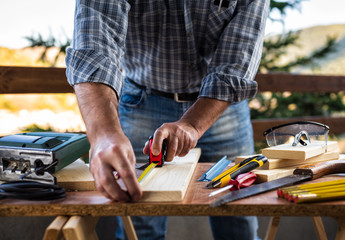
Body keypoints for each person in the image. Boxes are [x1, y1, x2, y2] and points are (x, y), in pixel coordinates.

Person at [66, 0, 269, 239]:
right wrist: (103, 135)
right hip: (143, 100)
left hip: (222, 109)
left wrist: (193, 124)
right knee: (139, 225)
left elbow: (237, 59)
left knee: (238, 219)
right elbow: (95, 44)